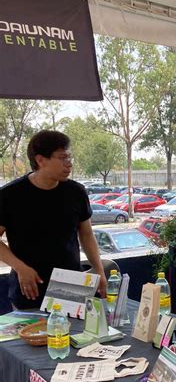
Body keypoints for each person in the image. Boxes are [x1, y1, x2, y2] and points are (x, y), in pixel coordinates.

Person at [0, 130, 107, 310]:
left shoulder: (76, 192)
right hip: (30, 285)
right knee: (33, 338)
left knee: (74, 336)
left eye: (69, 157)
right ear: (40, 160)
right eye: (63, 158)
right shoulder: (10, 195)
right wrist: (20, 268)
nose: (69, 164)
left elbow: (87, 235)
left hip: (71, 284)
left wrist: (99, 270)